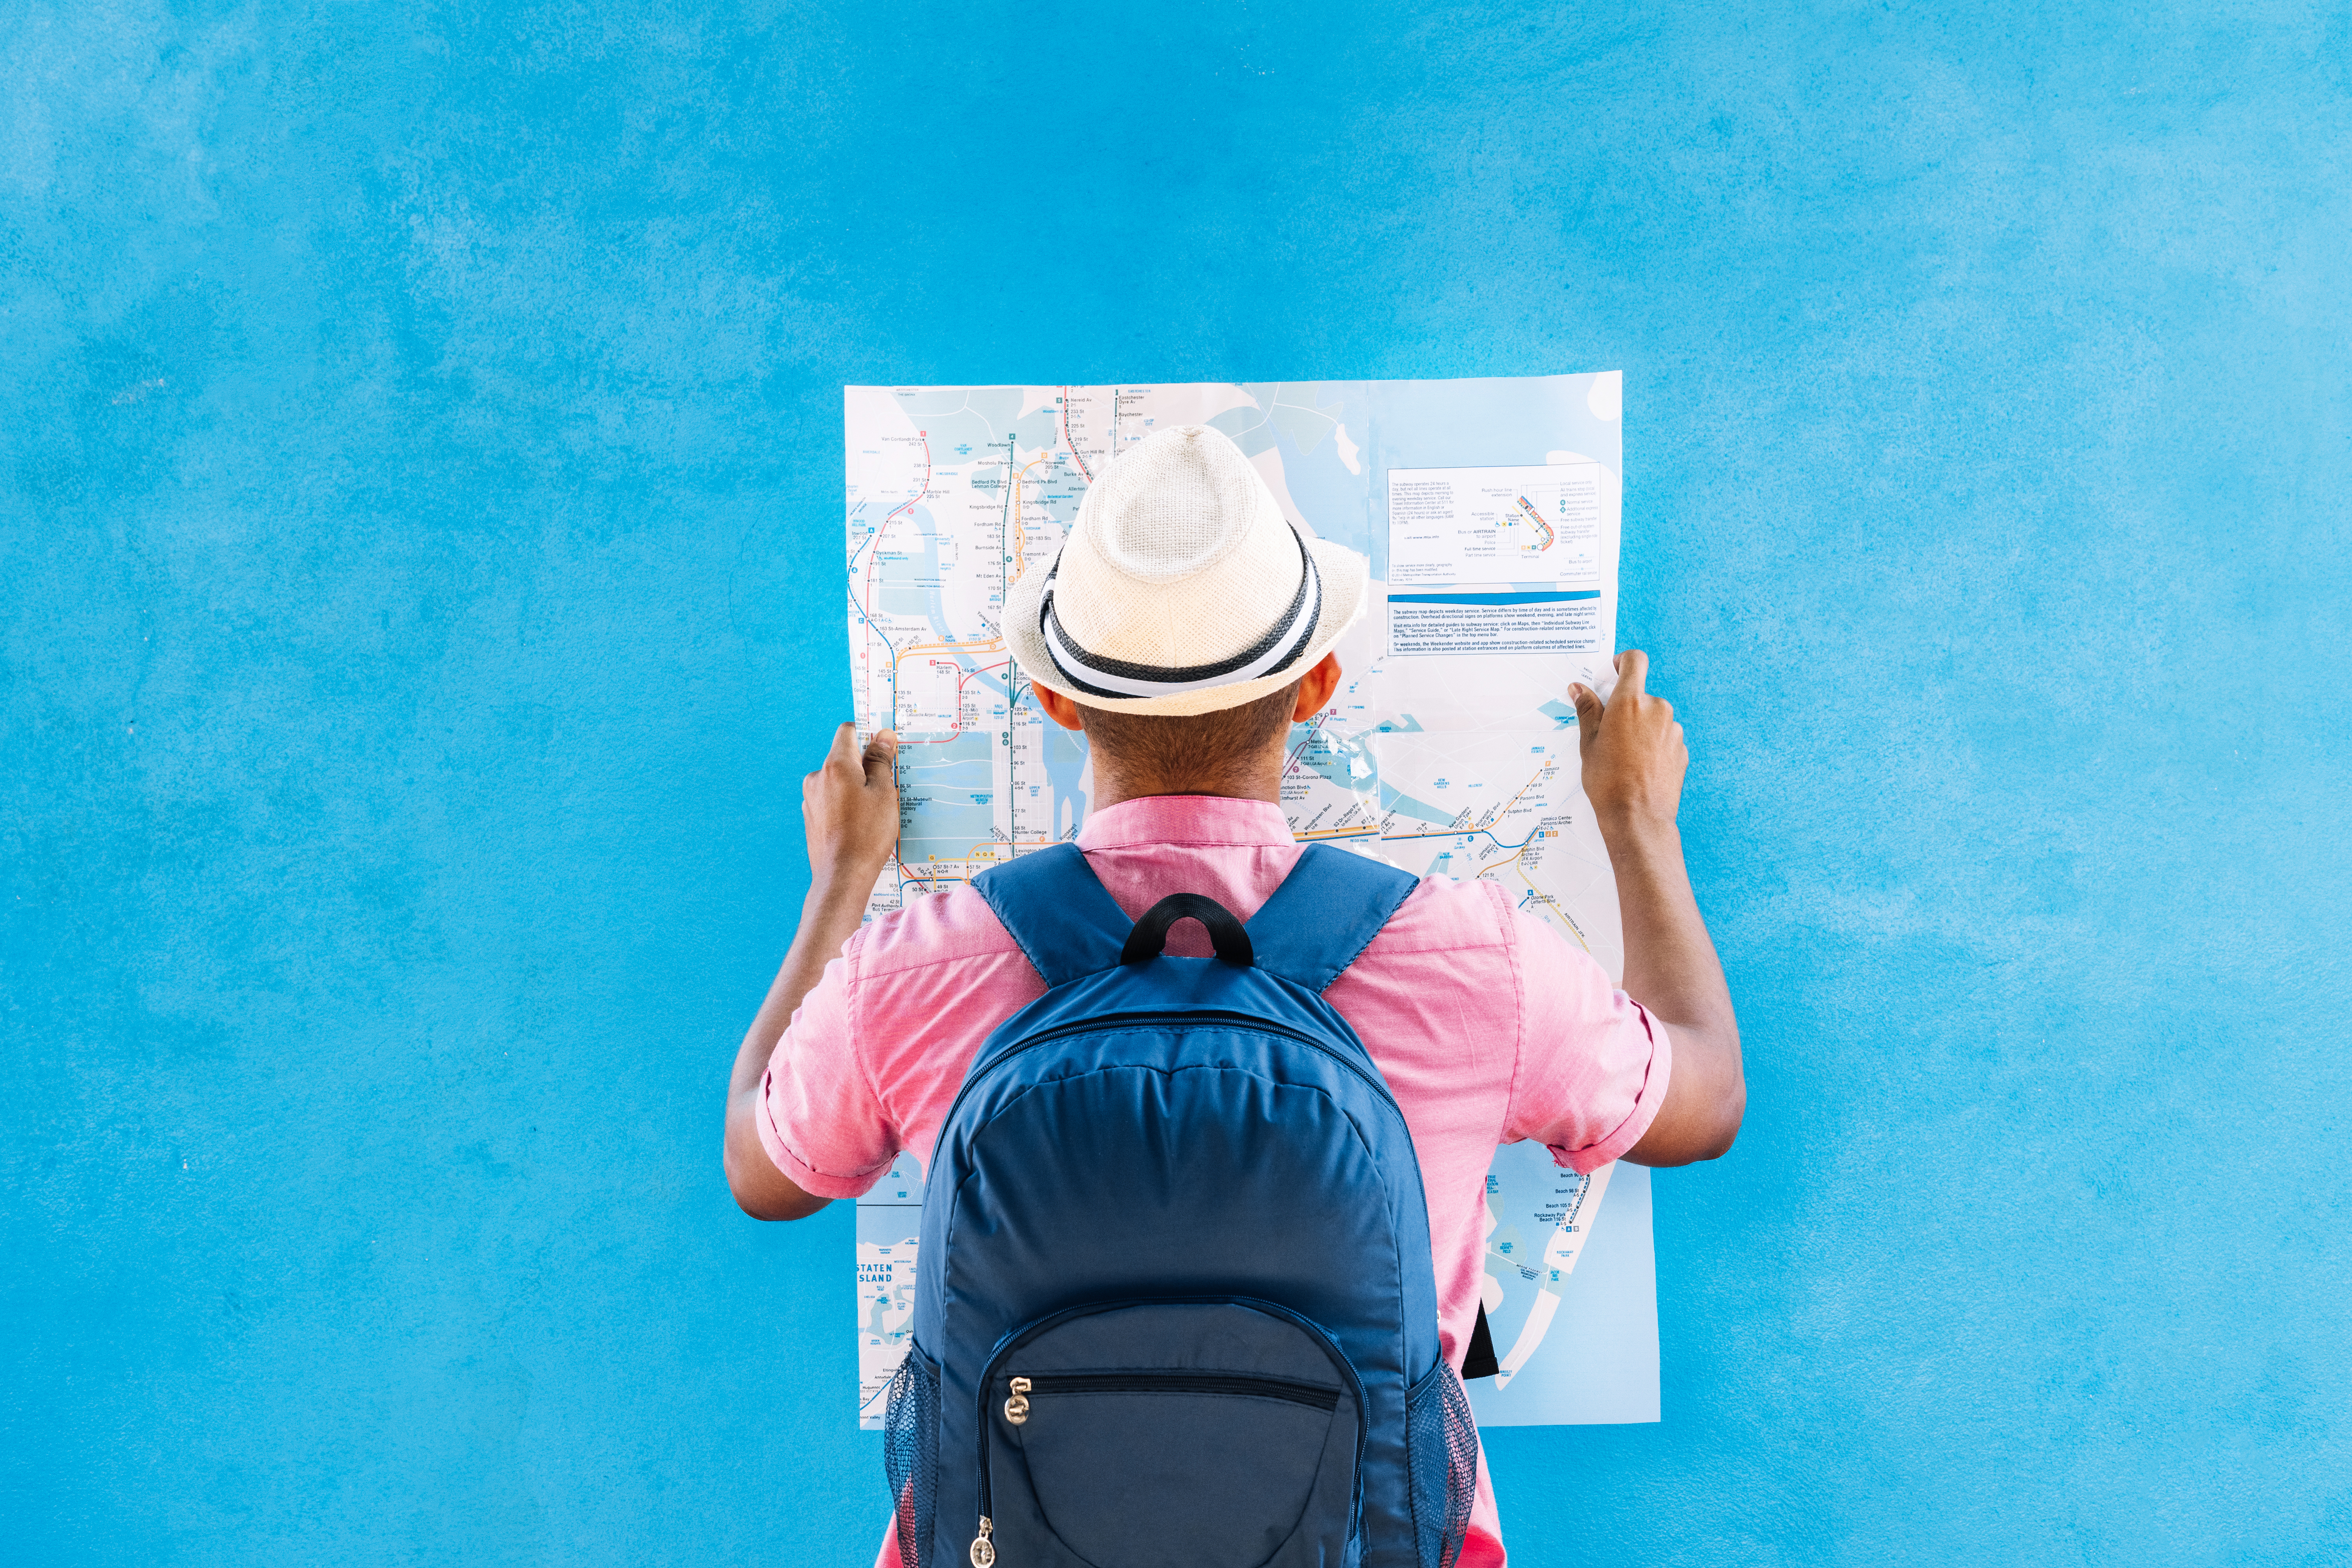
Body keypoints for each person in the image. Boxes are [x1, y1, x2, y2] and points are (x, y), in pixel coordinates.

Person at [721, 424, 1744, 1566]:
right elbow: (1703, 1104)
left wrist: (839, 886)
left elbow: (764, 1171)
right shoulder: (1474, 960)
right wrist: (1638, 824)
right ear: (1318, 686)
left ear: (1056, 700)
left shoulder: (914, 968)